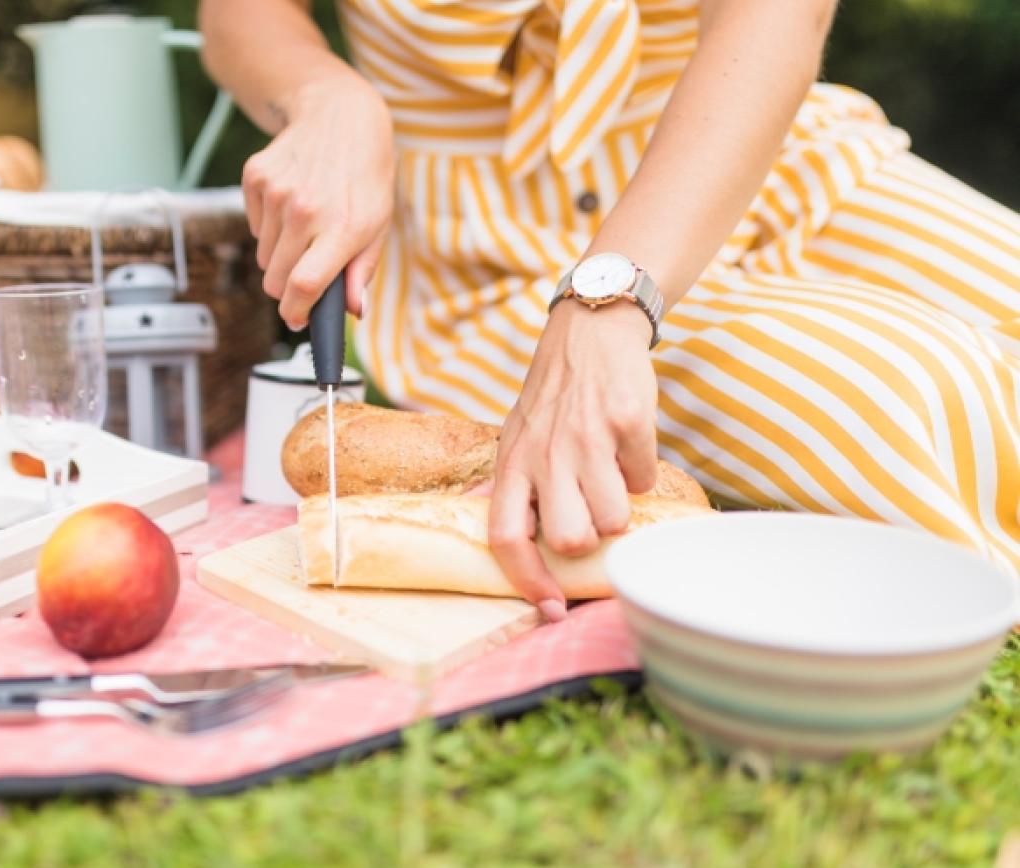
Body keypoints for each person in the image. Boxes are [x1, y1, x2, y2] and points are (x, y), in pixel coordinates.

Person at [200, 0, 1020, 620]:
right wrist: (327, 96)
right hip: (495, 260)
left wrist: (612, 293)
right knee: (921, 394)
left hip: (769, 159)